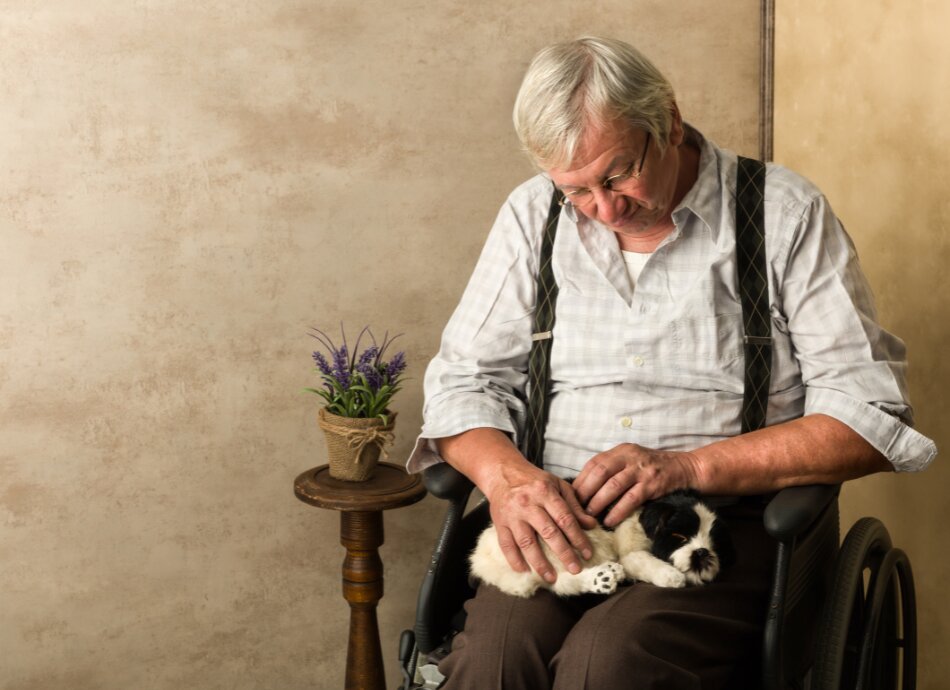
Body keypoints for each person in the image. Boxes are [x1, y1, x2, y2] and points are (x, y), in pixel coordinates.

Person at [406, 36, 936, 689]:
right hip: (561, 512)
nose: (604, 209)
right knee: (491, 664)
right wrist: (508, 479)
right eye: (576, 191)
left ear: (670, 122)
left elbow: (868, 415)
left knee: (607, 665)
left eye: (618, 173)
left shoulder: (783, 214)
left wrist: (687, 465)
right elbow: (463, 382)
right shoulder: (530, 217)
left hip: (719, 524)